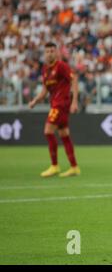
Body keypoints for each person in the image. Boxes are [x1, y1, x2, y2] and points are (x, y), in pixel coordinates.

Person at [29, 42, 81, 178]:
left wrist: (74, 101)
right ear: (44, 54)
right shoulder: (45, 69)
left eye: (52, 51)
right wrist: (35, 101)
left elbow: (74, 79)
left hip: (61, 104)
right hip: (55, 104)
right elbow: (45, 90)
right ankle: (74, 167)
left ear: (57, 52)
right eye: (47, 51)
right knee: (64, 134)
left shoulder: (61, 66)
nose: (50, 53)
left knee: (48, 131)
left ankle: (54, 166)